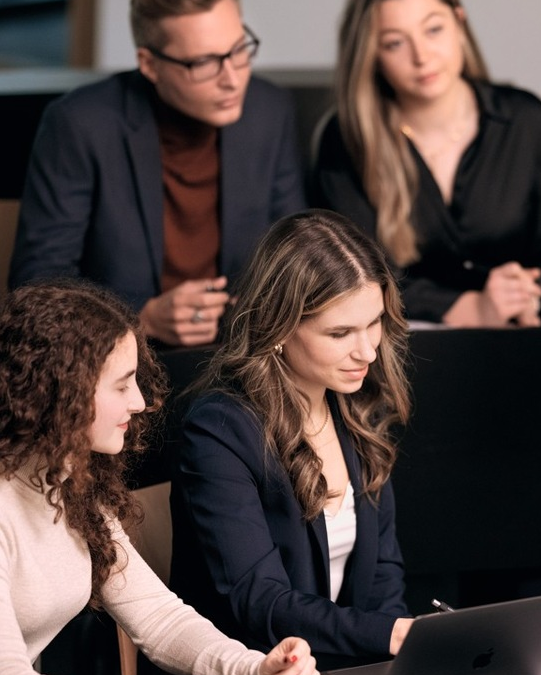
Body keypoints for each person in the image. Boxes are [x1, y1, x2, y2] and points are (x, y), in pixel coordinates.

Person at [0, 281, 319, 675]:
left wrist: (253, 667)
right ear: (61, 393)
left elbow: (160, 620)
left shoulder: (67, 484)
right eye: (122, 385)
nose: (141, 402)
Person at [169, 210, 412, 670]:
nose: (367, 351)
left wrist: (392, 653)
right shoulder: (219, 429)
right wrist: (388, 635)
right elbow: (258, 600)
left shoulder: (352, 405)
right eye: (340, 333)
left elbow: (384, 574)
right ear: (279, 327)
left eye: (374, 323)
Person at [9, 0, 307, 347]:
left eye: (239, 49)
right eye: (204, 62)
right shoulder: (80, 124)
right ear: (149, 65)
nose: (233, 78)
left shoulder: (270, 110)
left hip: (240, 357)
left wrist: (266, 306)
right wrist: (142, 317)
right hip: (119, 360)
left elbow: (297, 252)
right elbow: (37, 287)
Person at [312, 0, 541, 327]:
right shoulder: (347, 139)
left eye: (433, 29)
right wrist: (462, 307)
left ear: (459, 22)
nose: (422, 56)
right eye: (394, 43)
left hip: (522, 337)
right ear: (371, 53)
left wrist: (528, 294)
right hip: (399, 348)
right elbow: (348, 273)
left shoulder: (525, 120)